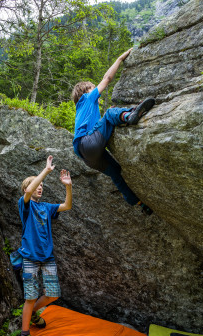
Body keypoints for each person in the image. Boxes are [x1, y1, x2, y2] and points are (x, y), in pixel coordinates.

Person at [71, 48, 155, 215]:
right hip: (89, 144)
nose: (96, 90)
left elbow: (97, 127)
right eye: (93, 88)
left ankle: (137, 202)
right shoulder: (87, 98)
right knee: (110, 113)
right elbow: (107, 78)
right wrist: (119, 58)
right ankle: (130, 115)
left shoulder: (82, 110)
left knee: (115, 171)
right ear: (86, 91)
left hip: (87, 156)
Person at [17, 155, 72, 336]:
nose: (40, 187)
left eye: (41, 185)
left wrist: (68, 186)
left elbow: (67, 206)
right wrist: (46, 171)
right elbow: (31, 189)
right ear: (26, 190)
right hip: (30, 257)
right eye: (36, 185)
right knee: (30, 297)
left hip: (47, 257)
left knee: (53, 294)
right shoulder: (24, 205)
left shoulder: (46, 207)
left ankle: (31, 313)